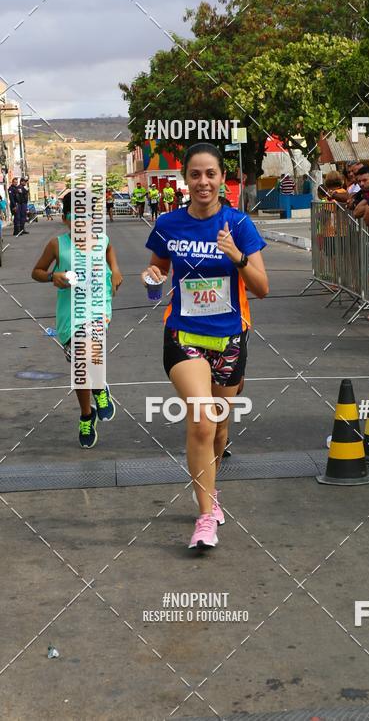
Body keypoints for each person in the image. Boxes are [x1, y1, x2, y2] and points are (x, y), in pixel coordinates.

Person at [142, 143, 269, 551]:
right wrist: (152, 278)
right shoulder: (169, 224)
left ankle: (210, 490)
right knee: (201, 420)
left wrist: (237, 257)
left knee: (219, 428)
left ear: (221, 178)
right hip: (184, 335)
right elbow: (158, 268)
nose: (203, 182)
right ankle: (205, 516)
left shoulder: (239, 224)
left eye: (210, 174)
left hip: (229, 338)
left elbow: (262, 288)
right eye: (195, 174)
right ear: (185, 179)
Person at [31, 191, 123, 447]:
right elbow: (36, 272)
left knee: (86, 351)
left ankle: (100, 388)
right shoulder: (57, 245)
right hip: (69, 314)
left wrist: (115, 270)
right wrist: (53, 276)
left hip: (98, 308)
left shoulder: (102, 239)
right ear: (65, 219)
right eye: (75, 216)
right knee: (80, 368)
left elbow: (110, 251)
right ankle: (86, 414)